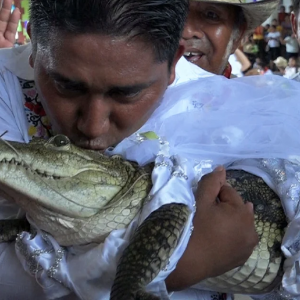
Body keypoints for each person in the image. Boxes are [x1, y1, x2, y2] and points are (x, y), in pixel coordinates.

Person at [0, 0, 258, 299]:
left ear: (175, 62)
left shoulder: (228, 115)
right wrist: (182, 268)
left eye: (127, 93)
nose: (93, 127)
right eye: (67, 86)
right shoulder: (5, 84)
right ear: (34, 47)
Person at [181, 0, 278, 77]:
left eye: (211, 15)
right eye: (173, 15)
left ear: (237, 36)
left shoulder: (243, 100)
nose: (186, 32)